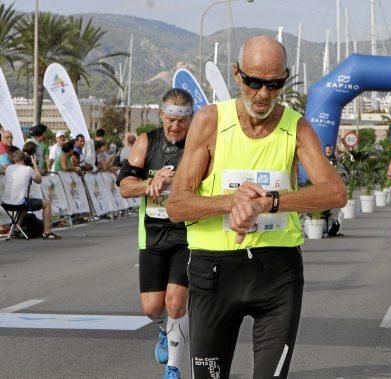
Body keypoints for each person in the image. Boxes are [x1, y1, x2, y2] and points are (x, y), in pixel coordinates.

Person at [166, 35, 347, 378]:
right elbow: (176, 205)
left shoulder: (296, 126)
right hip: (214, 273)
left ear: (285, 79)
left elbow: (335, 193)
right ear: (237, 75)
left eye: (274, 84)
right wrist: (229, 202)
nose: (263, 94)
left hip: (276, 274)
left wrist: (270, 203)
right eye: (254, 83)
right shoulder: (210, 121)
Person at [117, 88, 193, 379]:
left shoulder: (198, 144)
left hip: (187, 233)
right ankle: (163, 329)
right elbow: (125, 187)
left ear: (191, 119)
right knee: (152, 308)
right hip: (152, 233)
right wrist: (151, 182)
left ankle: (173, 367)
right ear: (162, 115)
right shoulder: (147, 142)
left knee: (175, 303)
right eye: (171, 119)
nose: (175, 126)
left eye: (182, 121)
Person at [1, 151, 61, 239]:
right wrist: (34, 164)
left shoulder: (8, 168)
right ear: (24, 159)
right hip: (18, 203)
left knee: (22, 201)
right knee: (47, 203)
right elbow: (39, 180)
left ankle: (16, 229)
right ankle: (47, 232)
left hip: (5, 203)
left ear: (13, 159)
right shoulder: (28, 169)